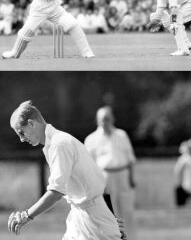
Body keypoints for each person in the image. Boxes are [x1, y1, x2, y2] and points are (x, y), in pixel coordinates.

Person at [7, 101, 124, 239]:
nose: (21, 139)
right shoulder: (53, 145)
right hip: (79, 217)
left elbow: (56, 192)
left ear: (31, 123)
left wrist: (26, 216)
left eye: (21, 132)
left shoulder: (59, 144)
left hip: (95, 222)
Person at [84, 106, 136, 239]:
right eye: (102, 119)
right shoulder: (91, 139)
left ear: (112, 119)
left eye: (107, 119)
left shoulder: (121, 135)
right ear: (97, 120)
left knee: (127, 210)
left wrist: (131, 178)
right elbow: (89, 166)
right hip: (104, 178)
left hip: (122, 175)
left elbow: (130, 159)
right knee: (109, 212)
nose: (105, 122)